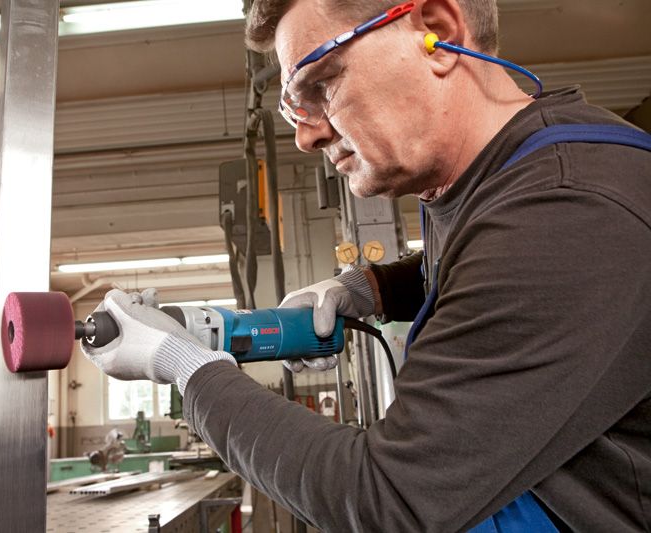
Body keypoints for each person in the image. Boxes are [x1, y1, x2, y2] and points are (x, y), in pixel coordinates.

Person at [81, 0, 651, 530]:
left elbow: (387, 499)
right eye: (292, 106)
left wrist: (186, 368)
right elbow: (479, 262)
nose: (305, 135)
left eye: (322, 83)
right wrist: (370, 287)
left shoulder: (566, 206)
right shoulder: (496, 179)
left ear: (440, 31)